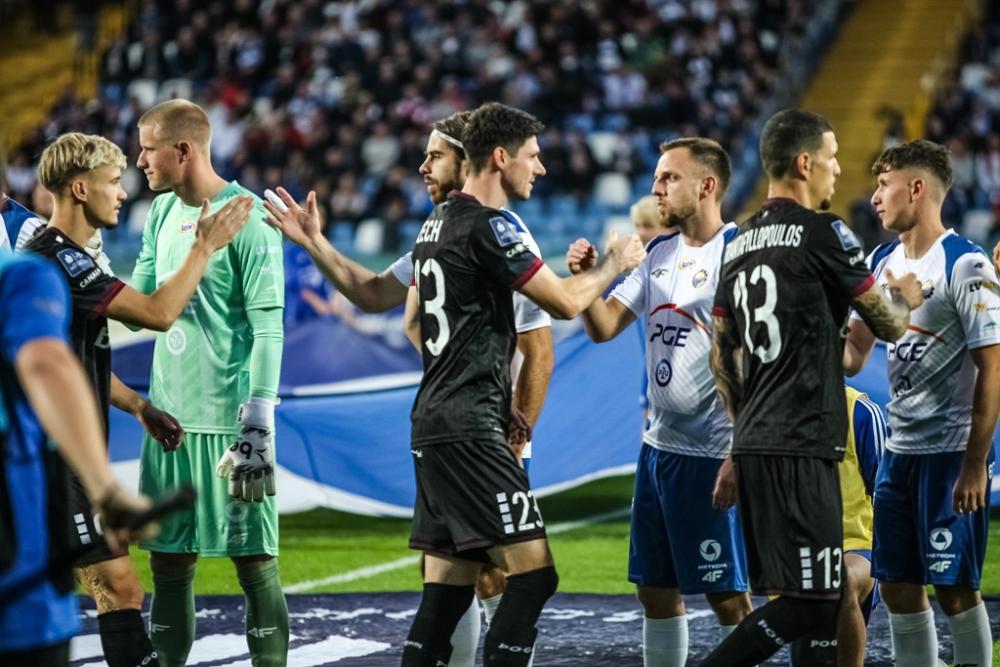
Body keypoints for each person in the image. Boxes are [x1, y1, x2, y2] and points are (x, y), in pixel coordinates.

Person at [266, 110, 556, 666]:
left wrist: (519, 433)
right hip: (470, 420)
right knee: (496, 573)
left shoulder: (497, 229)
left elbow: (536, 349)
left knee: (469, 575)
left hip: (472, 422)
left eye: (435, 155)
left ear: (468, 160)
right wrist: (315, 243)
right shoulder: (444, 229)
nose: (423, 167)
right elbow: (381, 298)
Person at [397, 101, 643, 666]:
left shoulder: (434, 224)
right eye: (533, 156)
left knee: (446, 593)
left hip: (434, 421)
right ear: (501, 157)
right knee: (533, 576)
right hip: (470, 427)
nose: (542, 167)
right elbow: (562, 303)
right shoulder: (492, 224)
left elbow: (413, 322)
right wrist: (614, 263)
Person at [703, 108, 923, 667]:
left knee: (805, 597)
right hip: (804, 443)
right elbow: (888, 324)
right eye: (831, 158)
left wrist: (739, 440)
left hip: (755, 443)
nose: (837, 169)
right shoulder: (826, 232)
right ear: (804, 164)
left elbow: (723, 355)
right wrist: (905, 296)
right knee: (815, 599)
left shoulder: (740, 241)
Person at [23, 131, 249, 667]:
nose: (123, 192)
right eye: (112, 181)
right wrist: (203, 247)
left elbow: (70, 367)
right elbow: (158, 313)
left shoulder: (61, 259)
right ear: (80, 189)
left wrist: (139, 406)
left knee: (96, 590)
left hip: (59, 458)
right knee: (118, 588)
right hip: (49, 460)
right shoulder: (62, 262)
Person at [564, 138, 751, 667]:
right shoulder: (660, 254)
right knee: (654, 590)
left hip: (712, 453)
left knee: (727, 595)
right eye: (657, 177)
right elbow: (603, 326)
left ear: (707, 185)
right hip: (658, 449)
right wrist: (585, 279)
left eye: (669, 177)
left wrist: (739, 453)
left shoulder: (738, 254)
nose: (656, 188)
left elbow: (756, 364)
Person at [130, 99, 289, 667]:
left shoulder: (248, 216)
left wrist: (258, 422)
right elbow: (139, 309)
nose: (140, 161)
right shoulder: (159, 213)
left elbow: (269, 329)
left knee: (255, 563)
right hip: (169, 421)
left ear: (183, 150)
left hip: (231, 426)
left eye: (148, 149)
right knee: (168, 564)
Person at [843, 139, 1000, 667]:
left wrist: (975, 464)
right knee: (898, 587)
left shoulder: (966, 264)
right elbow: (852, 357)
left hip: (951, 454)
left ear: (916, 188)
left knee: (954, 589)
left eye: (883, 184)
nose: (874, 198)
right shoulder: (879, 261)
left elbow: (993, 368)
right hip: (900, 452)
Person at [0, 251, 152, 666]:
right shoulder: (23, 275)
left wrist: (138, 405)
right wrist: (104, 487)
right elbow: (47, 363)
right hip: (18, 582)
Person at [787, 386, 886, 667]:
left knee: (839, 579)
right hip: (797, 553)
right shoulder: (769, 414)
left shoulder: (860, 412)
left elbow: (888, 494)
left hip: (856, 548)